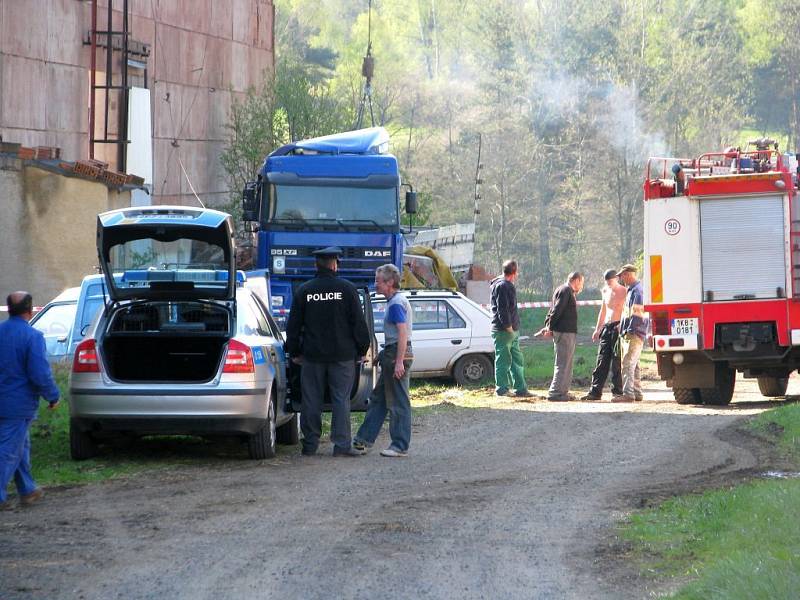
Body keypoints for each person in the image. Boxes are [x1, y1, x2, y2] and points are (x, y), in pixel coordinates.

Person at [285, 247, 371, 457]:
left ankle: (310, 445)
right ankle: (341, 445)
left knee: (311, 399)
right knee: (341, 399)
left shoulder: (304, 291)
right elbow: (359, 325)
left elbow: (293, 326)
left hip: (312, 356)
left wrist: (294, 351)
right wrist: (362, 349)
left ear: (316, 265)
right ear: (335, 264)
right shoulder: (348, 289)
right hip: (342, 356)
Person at [1, 292, 60, 510]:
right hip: (17, 404)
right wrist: (52, 396)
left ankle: (27, 489)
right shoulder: (32, 336)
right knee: (8, 451)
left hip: (4, 402)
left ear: (8, 309)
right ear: (29, 309)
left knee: (20, 446)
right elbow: (39, 373)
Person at [353, 265, 414, 457]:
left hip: (397, 354)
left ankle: (400, 445)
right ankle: (363, 441)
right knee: (379, 399)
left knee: (397, 401)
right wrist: (383, 354)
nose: (375, 284)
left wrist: (398, 361)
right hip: (392, 352)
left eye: (378, 281)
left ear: (389, 283)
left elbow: (402, 334)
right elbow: (396, 334)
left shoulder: (396, 303)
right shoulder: (395, 301)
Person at [580, 269, 626, 401]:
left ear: (616, 279)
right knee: (601, 360)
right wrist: (598, 328)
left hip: (618, 326)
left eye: (610, 281)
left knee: (616, 361)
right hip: (607, 326)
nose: (609, 284)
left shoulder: (624, 291)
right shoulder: (605, 291)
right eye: (607, 282)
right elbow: (603, 310)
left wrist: (622, 323)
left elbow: (627, 310)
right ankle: (595, 392)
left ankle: (618, 391)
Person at [488, 260, 531, 398]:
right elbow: (503, 309)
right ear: (515, 273)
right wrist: (509, 327)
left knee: (516, 359)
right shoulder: (503, 286)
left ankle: (521, 388)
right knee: (503, 360)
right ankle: (501, 389)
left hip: (510, 330)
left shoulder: (501, 284)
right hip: (504, 331)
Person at [541, 272, 584, 401]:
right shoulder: (566, 291)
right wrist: (550, 327)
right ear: (576, 280)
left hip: (567, 332)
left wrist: (548, 324)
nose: (582, 286)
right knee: (563, 363)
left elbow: (553, 310)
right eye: (581, 282)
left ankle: (563, 392)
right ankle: (555, 392)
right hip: (564, 332)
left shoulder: (563, 290)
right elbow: (556, 311)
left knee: (567, 363)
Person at [613, 264, 647, 403]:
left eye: (622, 276)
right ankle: (636, 392)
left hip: (634, 333)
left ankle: (628, 394)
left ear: (628, 274)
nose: (621, 279)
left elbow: (638, 314)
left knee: (627, 363)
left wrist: (630, 330)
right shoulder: (633, 290)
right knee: (635, 363)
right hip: (633, 331)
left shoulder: (636, 292)